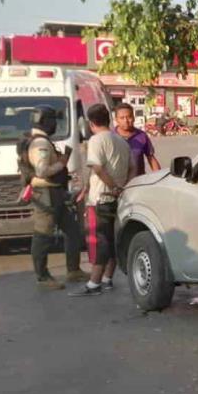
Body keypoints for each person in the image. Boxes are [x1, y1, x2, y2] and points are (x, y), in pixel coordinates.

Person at [22, 106, 84, 290]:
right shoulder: (40, 144)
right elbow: (42, 171)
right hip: (46, 194)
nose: (56, 124)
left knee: (72, 230)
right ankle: (43, 277)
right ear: (46, 121)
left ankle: (74, 270)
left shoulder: (34, 140)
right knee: (43, 235)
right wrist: (62, 163)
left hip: (56, 193)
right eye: (54, 120)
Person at [72, 104, 130, 298]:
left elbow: (97, 168)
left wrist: (112, 186)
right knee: (112, 239)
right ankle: (107, 279)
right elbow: (133, 167)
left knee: (100, 241)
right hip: (118, 197)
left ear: (91, 123)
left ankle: (94, 283)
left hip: (102, 198)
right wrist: (122, 188)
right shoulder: (121, 141)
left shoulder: (96, 140)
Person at [113, 102, 160, 178]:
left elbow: (151, 158)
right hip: (117, 184)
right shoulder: (110, 137)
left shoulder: (142, 136)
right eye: (122, 118)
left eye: (129, 117)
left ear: (134, 118)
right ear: (116, 120)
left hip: (138, 183)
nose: (126, 121)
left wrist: (159, 177)